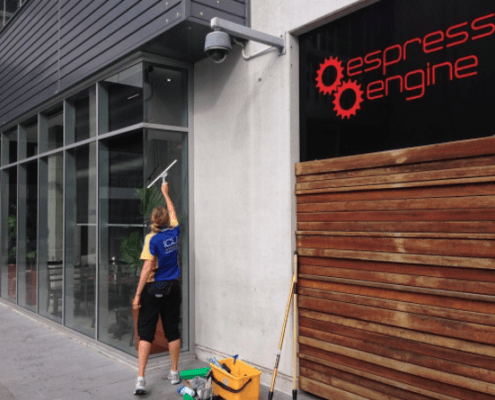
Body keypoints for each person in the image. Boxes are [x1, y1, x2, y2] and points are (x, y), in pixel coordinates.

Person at [132, 182, 182, 395]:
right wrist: (166, 194)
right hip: (173, 288)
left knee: (145, 334)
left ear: (153, 221)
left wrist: (136, 295)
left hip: (153, 289)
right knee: (172, 331)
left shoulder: (151, 239)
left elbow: (146, 268)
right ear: (167, 221)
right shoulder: (174, 233)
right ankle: (174, 372)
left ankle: (141, 379)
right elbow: (173, 214)